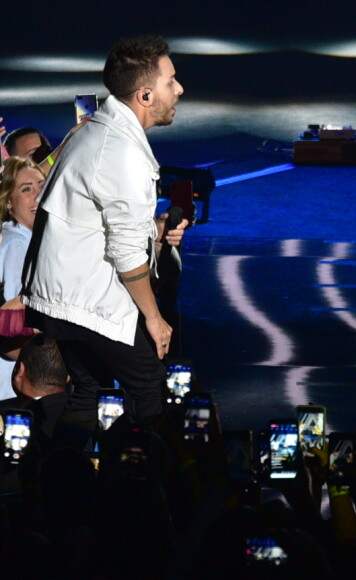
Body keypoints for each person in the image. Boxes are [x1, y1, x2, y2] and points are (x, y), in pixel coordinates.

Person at [21, 35, 187, 449]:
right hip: (87, 301)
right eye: (171, 81)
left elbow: (98, 220)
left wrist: (155, 227)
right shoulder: (120, 151)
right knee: (149, 385)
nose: (179, 89)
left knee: (87, 389)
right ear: (146, 94)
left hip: (61, 299)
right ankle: (150, 489)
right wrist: (153, 317)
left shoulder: (95, 129)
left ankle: (62, 483)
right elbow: (125, 253)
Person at [0, 157, 45, 400]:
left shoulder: (23, 239)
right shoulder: (17, 244)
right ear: (8, 202)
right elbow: (15, 330)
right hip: (11, 392)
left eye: (42, 185)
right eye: (26, 189)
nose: (38, 195)